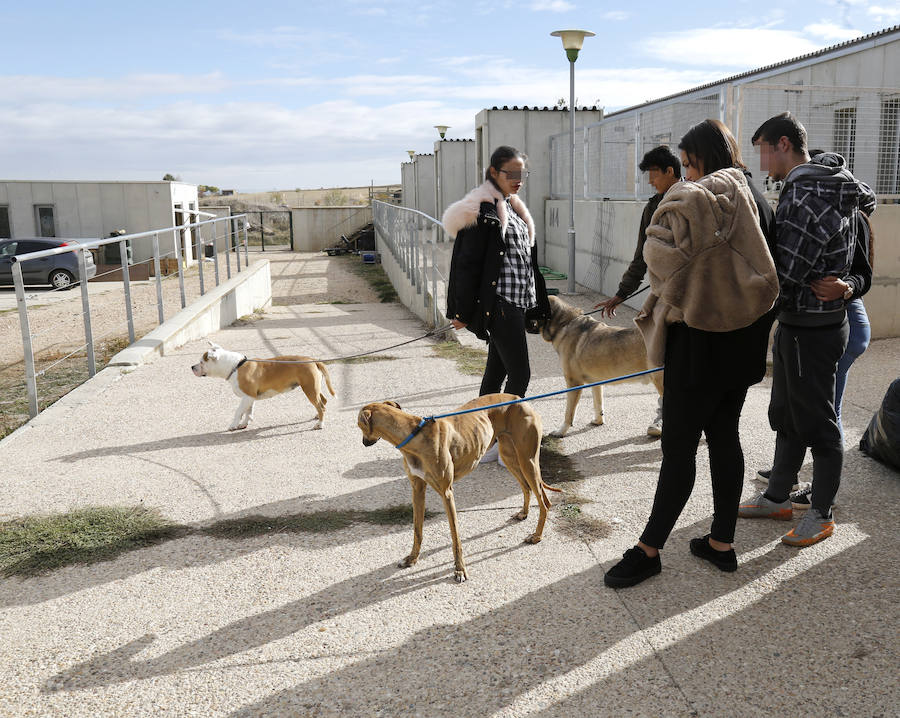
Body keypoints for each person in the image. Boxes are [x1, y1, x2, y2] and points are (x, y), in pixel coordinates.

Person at [604, 119, 779, 588]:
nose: (685, 176)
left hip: (698, 344)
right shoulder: (757, 201)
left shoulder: (700, 200)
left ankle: (649, 550)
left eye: (687, 164)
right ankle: (721, 543)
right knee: (725, 437)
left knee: (677, 448)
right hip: (743, 346)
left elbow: (663, 261)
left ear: (704, 159)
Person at [739, 113, 875, 546]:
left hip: (813, 329)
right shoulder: (829, 186)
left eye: (763, 150)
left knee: (818, 422)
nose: (762, 164)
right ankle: (778, 496)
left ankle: (821, 513)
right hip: (803, 324)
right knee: (787, 414)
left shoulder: (806, 193)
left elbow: (787, 271)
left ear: (783, 145)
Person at [442, 145, 551, 461]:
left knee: (495, 373)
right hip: (500, 305)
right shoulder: (482, 211)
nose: (518, 179)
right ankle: (505, 440)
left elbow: (526, 263)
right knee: (521, 375)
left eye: (522, 173)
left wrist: (537, 302)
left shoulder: (514, 209)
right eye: (511, 173)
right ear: (494, 173)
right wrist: (460, 311)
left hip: (516, 303)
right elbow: (465, 265)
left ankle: (481, 440)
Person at [595, 145, 682, 437]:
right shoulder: (652, 207)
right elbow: (641, 256)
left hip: (695, 299)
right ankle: (665, 414)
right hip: (663, 298)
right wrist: (621, 293)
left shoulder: (692, 199)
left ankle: (694, 420)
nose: (650, 181)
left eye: (653, 174)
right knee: (661, 358)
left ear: (670, 171)